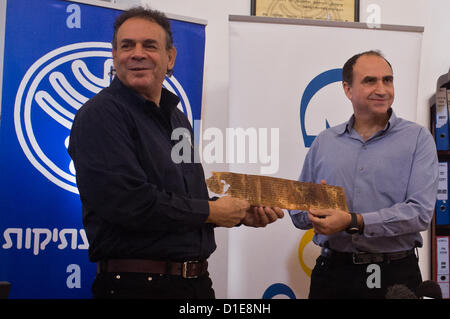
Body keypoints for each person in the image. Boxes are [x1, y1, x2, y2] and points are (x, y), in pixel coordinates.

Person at [68, 7, 284, 299]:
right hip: (135, 287)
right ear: (115, 56)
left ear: (170, 58)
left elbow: (186, 201)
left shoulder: (178, 119)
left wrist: (235, 213)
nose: (137, 53)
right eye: (126, 45)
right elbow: (128, 202)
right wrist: (212, 211)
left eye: (150, 45)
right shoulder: (100, 115)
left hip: (194, 284)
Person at [289, 50, 438, 299]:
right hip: (332, 274)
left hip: (395, 277)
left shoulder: (418, 139)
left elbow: (420, 213)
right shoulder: (325, 141)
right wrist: (315, 212)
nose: (382, 89)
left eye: (387, 80)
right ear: (348, 89)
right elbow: (297, 211)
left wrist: (353, 221)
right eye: (370, 81)